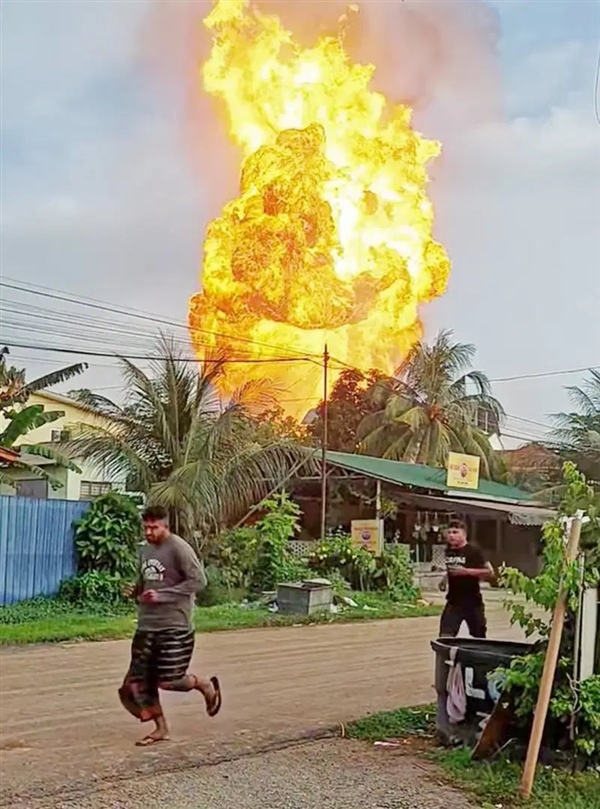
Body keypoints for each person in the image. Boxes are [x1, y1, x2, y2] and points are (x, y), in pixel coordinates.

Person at [119, 505, 222, 746]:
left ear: (166, 526)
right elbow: (145, 581)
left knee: (170, 680)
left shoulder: (178, 547)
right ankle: (160, 728)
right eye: (146, 528)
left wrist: (163, 595)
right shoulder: (145, 550)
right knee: (138, 681)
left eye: (154, 528)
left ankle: (203, 684)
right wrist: (135, 590)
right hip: (147, 625)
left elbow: (198, 581)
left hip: (175, 626)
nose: (149, 532)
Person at [438, 519, 494, 638]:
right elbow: (452, 569)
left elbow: (490, 572)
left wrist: (466, 572)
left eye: (455, 532)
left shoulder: (474, 550)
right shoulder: (449, 551)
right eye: (449, 532)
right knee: (445, 636)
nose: (451, 535)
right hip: (453, 601)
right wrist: (444, 580)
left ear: (464, 534)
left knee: (479, 637)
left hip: (472, 602)